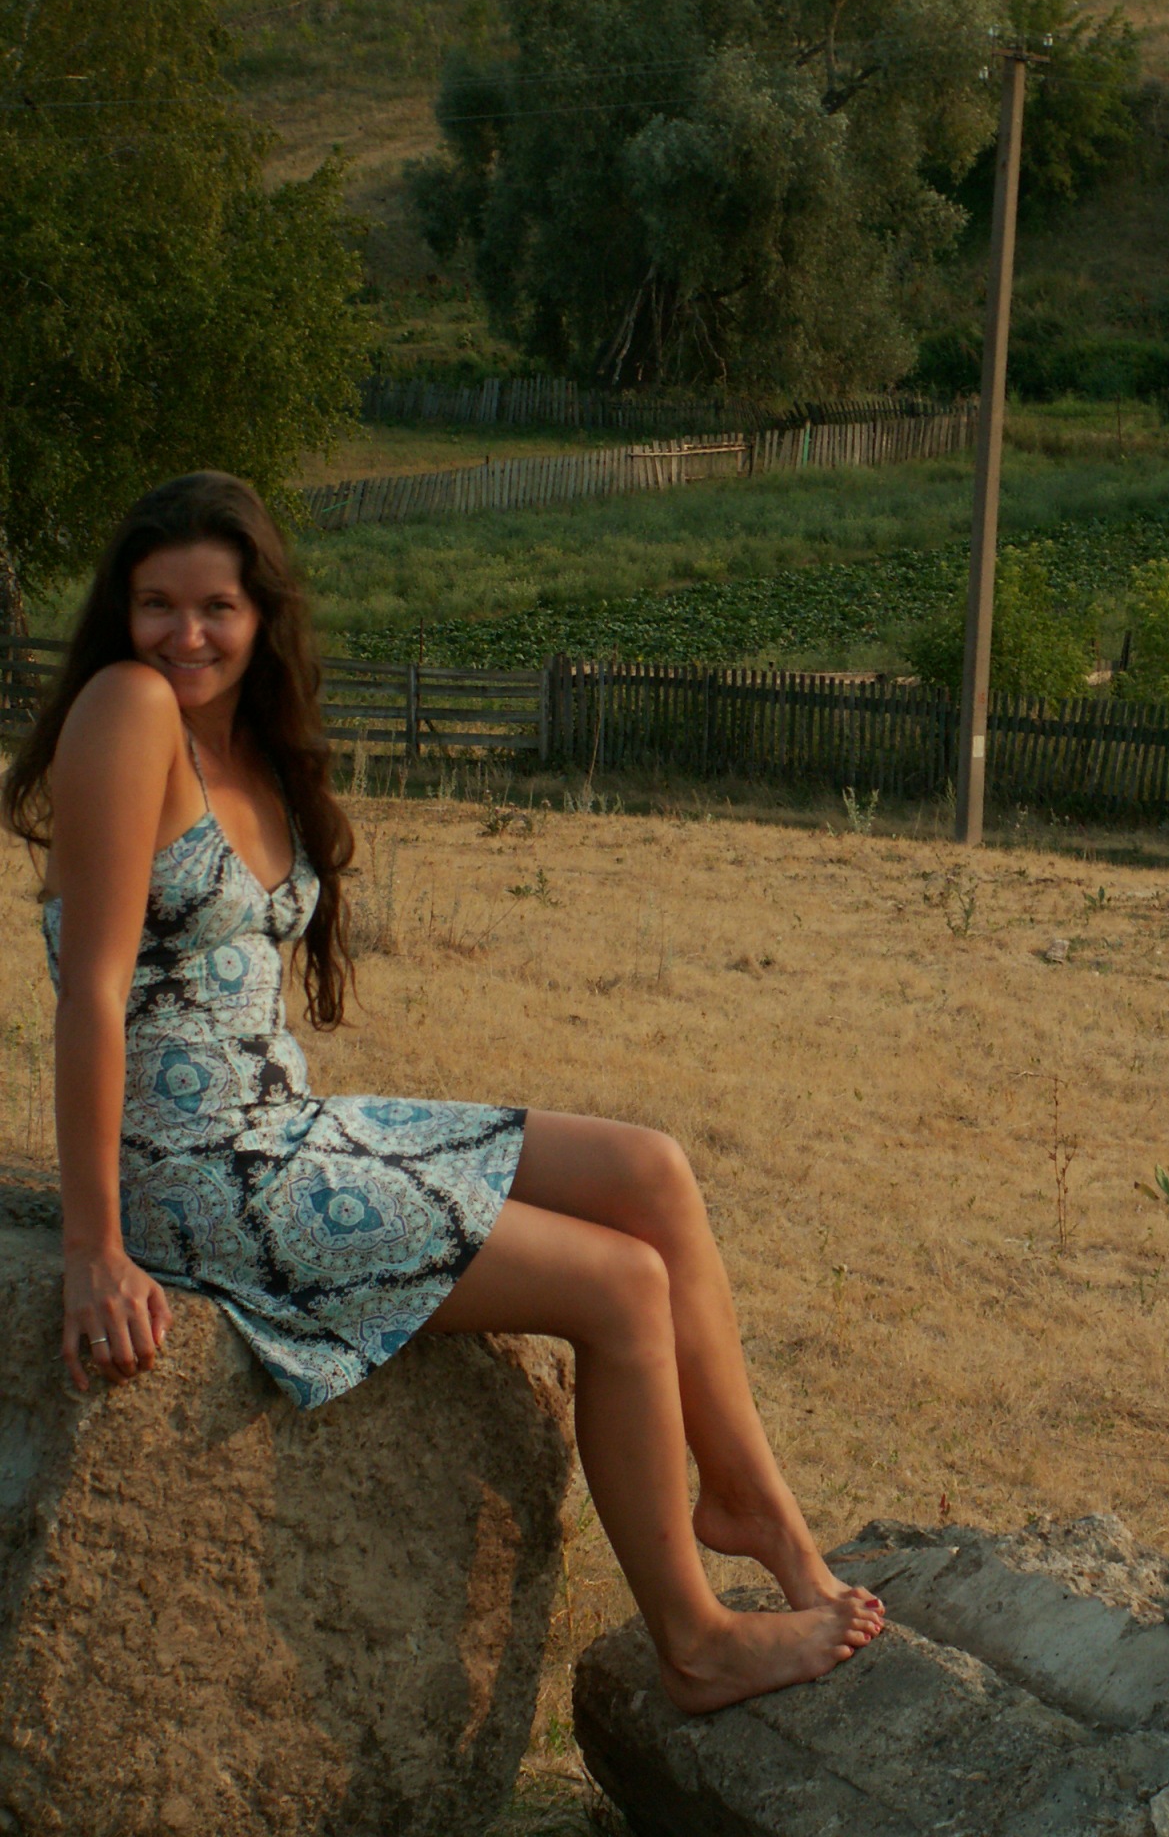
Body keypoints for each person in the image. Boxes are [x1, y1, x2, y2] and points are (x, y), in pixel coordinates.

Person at [3, 471, 883, 1715]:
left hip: (287, 1126)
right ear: (122, 609)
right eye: (157, 604)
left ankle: (755, 1507)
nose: (185, 634)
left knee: (651, 1169)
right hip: (198, 1174)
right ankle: (695, 1640)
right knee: (619, 1283)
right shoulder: (128, 707)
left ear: (263, 614)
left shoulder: (251, 744)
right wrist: (96, 1246)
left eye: (216, 606)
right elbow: (93, 992)